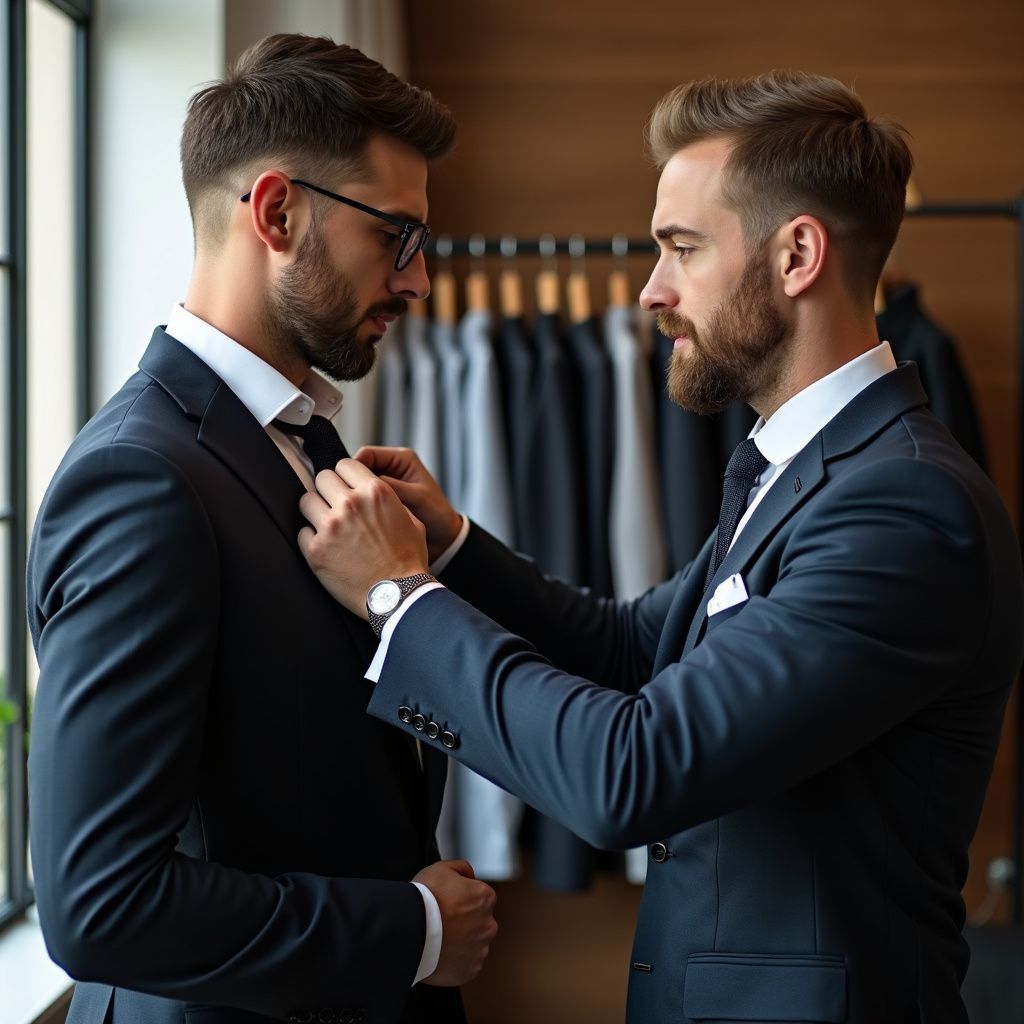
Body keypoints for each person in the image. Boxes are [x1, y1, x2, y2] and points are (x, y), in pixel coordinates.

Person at [296, 71, 1024, 1022]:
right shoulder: (805, 467)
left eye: (682, 248)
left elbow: (632, 773)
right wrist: (455, 547)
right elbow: (635, 648)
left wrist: (399, 599)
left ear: (798, 252)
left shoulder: (904, 510)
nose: (651, 292)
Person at [27, 33, 496, 1024]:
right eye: (395, 237)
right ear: (277, 212)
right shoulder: (139, 479)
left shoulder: (307, 440)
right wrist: (409, 929)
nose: (415, 282)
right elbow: (100, 901)